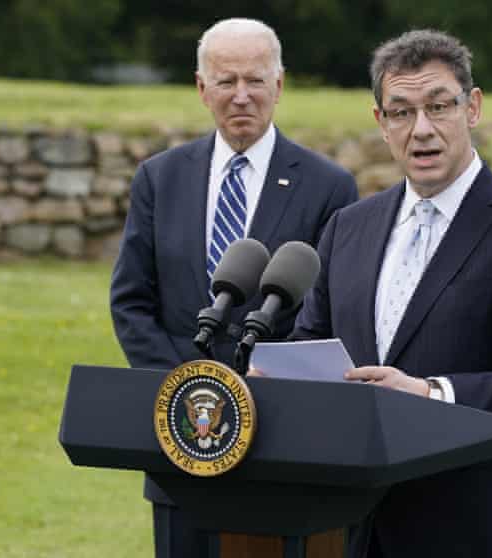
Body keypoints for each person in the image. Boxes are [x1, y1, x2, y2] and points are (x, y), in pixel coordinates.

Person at [290, 30, 492, 557]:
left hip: (477, 526)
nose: (421, 129)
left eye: (438, 106)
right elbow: (313, 340)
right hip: (359, 527)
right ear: (380, 122)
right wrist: (282, 378)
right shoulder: (347, 227)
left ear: (473, 107)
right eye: (401, 112)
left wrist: (428, 393)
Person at [109, 18, 358, 558]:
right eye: (226, 81)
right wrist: (184, 388)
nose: (241, 96)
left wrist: (262, 394)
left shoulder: (329, 187)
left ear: (279, 85)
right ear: (202, 89)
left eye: (255, 80)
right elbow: (131, 300)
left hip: (283, 439)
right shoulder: (160, 177)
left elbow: (332, 310)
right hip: (181, 439)